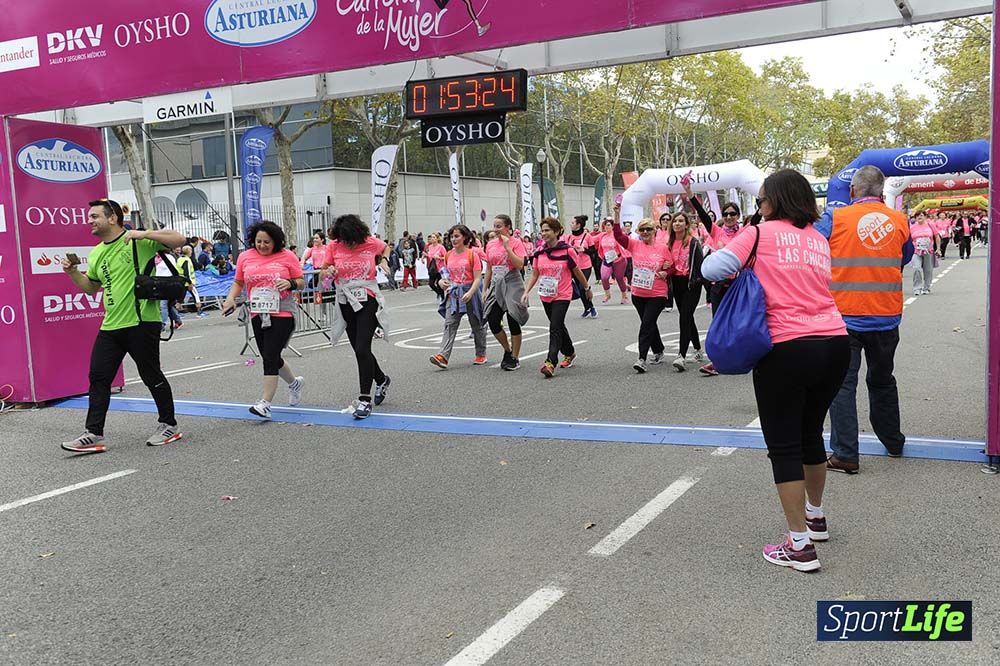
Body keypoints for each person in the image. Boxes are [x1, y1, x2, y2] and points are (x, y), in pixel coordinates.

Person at [702, 169, 849, 573]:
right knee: (810, 433)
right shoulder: (818, 239)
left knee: (783, 445)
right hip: (835, 342)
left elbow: (711, 270)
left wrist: (744, 243)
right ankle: (815, 517)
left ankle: (798, 545)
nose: (759, 206)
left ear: (772, 201)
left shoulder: (759, 233)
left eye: (762, 199)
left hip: (785, 347)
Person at [59, 199, 186, 453]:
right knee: (98, 376)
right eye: (90, 216)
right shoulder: (96, 253)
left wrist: (144, 233)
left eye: (95, 216)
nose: (90, 221)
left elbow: (179, 239)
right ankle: (93, 433)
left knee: (151, 375)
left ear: (112, 218)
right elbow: (92, 287)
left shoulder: (137, 240)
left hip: (142, 322)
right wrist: (73, 273)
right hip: (111, 324)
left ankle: (169, 424)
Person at [815, 165, 912, 474]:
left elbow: (814, 249)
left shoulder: (835, 218)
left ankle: (846, 453)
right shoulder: (899, 220)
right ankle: (893, 441)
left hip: (845, 316)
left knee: (842, 385)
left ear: (853, 191)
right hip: (886, 316)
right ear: (881, 193)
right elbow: (905, 256)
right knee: (883, 380)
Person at [222, 221, 305, 420]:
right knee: (271, 357)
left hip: (283, 312)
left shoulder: (287, 256)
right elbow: (239, 281)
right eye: (258, 241)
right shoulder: (245, 257)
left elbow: (301, 282)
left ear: (276, 241)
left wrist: (290, 283)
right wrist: (231, 298)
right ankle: (294, 383)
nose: (262, 245)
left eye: (267, 242)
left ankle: (265, 403)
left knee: (269, 355)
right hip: (258, 312)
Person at [324, 214, 392, 420]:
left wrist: (384, 260)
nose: (347, 244)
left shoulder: (370, 242)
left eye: (350, 240)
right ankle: (381, 379)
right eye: (343, 240)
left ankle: (364, 399)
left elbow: (386, 247)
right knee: (359, 349)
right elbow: (323, 270)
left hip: (367, 299)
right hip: (345, 300)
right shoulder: (334, 246)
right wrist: (329, 271)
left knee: (363, 348)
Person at [522, 217, 593, 377]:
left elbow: (577, 272)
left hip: (563, 294)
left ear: (556, 231)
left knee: (554, 326)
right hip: (545, 295)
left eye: (547, 230)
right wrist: (526, 292)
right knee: (558, 325)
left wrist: (587, 288)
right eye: (542, 231)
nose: (544, 233)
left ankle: (550, 362)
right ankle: (570, 352)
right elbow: (535, 274)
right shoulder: (539, 252)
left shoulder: (567, 250)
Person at [612, 214, 672, 373]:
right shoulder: (634, 245)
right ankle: (658, 350)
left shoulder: (663, 248)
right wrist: (617, 216)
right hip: (638, 293)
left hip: (657, 293)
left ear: (655, 231)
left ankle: (642, 358)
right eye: (642, 229)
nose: (645, 232)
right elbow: (618, 235)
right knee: (649, 323)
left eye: (649, 229)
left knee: (646, 324)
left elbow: (671, 266)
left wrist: (667, 271)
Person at [430, 224, 488, 369]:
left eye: (457, 236)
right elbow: (446, 275)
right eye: (452, 236)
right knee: (450, 323)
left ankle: (481, 354)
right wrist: (442, 282)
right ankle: (443, 356)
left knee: (477, 324)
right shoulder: (448, 255)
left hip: (470, 291)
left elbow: (477, 278)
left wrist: (470, 292)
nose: (453, 239)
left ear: (465, 238)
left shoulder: (472, 254)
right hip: (454, 292)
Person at [484, 215, 530, 371]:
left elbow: (520, 265)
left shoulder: (516, 243)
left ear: (508, 227)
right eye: (494, 226)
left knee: (513, 319)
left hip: (512, 282)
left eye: (499, 226)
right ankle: (507, 349)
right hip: (496, 283)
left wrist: (508, 247)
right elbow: (489, 268)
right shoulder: (490, 244)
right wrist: (485, 289)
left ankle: (515, 358)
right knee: (493, 319)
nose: (496, 229)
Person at [665, 211, 706, 372]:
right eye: (675, 221)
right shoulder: (669, 242)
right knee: (687, 317)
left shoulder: (693, 242)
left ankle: (681, 355)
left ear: (686, 225)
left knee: (684, 317)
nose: (677, 224)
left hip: (691, 284)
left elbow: (699, 265)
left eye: (681, 221)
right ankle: (698, 349)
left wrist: (698, 281)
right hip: (676, 283)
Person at [564, 215, 598, 318]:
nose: (571, 224)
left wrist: (584, 249)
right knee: (579, 289)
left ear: (579, 225)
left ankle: (591, 308)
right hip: (574, 266)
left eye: (573, 223)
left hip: (585, 265)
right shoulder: (569, 237)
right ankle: (588, 307)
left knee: (583, 287)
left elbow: (593, 251)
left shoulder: (587, 236)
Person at [595, 218, 630, 304]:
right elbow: (591, 239)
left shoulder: (617, 235)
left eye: (608, 225)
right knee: (604, 277)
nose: (606, 227)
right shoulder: (602, 235)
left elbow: (626, 242)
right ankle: (607, 294)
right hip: (607, 259)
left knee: (619, 278)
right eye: (605, 225)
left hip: (619, 259)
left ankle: (624, 296)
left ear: (612, 226)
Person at [910, 213, 938, 296]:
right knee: (916, 269)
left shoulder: (930, 225)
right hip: (916, 251)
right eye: (917, 216)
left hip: (928, 251)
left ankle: (926, 287)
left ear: (925, 217)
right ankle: (917, 288)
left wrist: (939, 249)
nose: (919, 217)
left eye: (921, 215)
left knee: (928, 270)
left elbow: (936, 236)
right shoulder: (912, 227)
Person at [177, 245, 207, 318]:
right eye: (191, 251)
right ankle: (199, 312)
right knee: (196, 296)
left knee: (180, 298)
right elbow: (187, 272)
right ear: (189, 251)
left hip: (181, 281)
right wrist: (190, 283)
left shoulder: (180, 259)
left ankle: (177, 313)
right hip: (188, 282)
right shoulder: (187, 260)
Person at [424, 233, 447, 302]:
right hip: (432, 267)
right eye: (431, 237)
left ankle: (443, 297)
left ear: (437, 239)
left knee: (439, 283)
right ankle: (439, 293)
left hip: (440, 267)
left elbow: (446, 257)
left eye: (434, 237)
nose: (432, 239)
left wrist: (439, 257)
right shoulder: (430, 247)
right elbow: (430, 256)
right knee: (431, 283)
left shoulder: (441, 247)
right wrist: (426, 255)